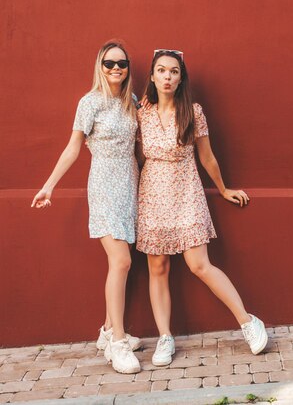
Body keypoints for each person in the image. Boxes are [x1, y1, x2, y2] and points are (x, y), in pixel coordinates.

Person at [136, 49, 267, 367]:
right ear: (152, 76)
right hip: (152, 194)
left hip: (186, 193)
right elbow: (136, 158)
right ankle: (165, 337)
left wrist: (223, 189)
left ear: (181, 78)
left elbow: (207, 157)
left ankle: (248, 322)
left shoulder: (192, 111)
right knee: (158, 268)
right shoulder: (141, 112)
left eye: (174, 71)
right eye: (162, 70)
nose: (167, 76)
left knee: (199, 264)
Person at [31, 41, 142, 374]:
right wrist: (49, 185)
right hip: (104, 185)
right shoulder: (89, 102)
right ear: (100, 66)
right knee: (120, 260)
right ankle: (118, 343)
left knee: (123, 260)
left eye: (121, 63)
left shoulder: (132, 101)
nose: (115, 69)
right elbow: (72, 148)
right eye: (109, 63)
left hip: (129, 184)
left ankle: (107, 332)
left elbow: (139, 147)